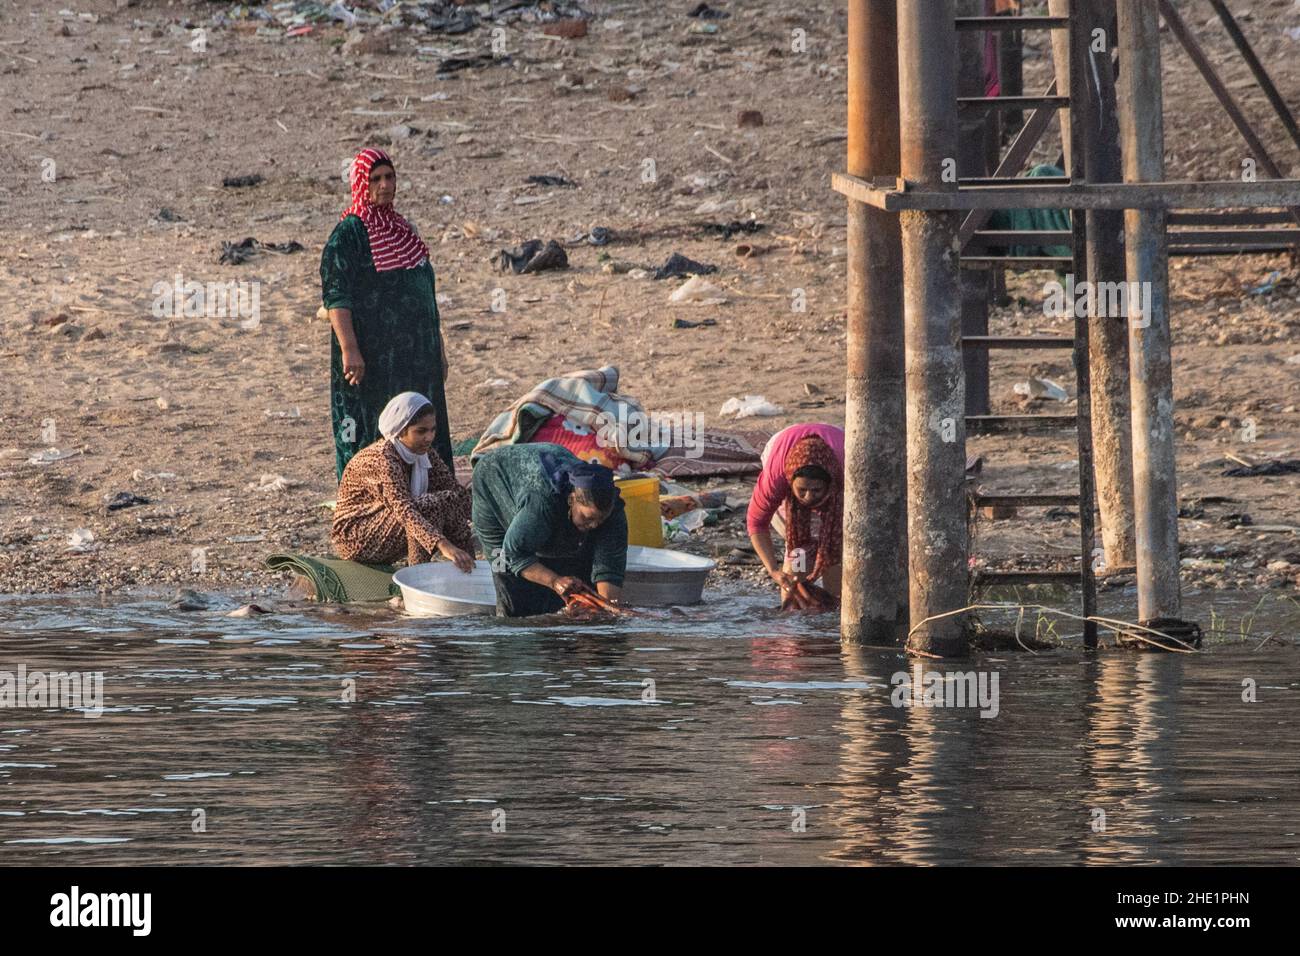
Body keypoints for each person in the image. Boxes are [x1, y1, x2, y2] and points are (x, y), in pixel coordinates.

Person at [321, 147, 454, 481]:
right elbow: (337, 295)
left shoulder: (402, 230)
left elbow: (424, 295)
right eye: (376, 178)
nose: (384, 185)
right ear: (361, 184)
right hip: (372, 358)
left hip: (416, 356)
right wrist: (350, 349)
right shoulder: (349, 234)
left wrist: (437, 346)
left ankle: (426, 499)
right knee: (375, 431)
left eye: (389, 177)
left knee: (421, 425)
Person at [471, 443, 628, 618]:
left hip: (546, 491)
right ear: (571, 499)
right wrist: (554, 581)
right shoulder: (541, 504)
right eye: (587, 518)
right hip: (493, 477)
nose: (594, 525)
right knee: (509, 580)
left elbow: (609, 565)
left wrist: (606, 608)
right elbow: (513, 553)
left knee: (578, 580)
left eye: (600, 520)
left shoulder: (614, 513)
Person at [331, 392, 474, 570]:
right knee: (429, 506)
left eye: (432, 430)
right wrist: (444, 545)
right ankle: (417, 576)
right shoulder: (382, 459)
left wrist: (493, 521)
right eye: (421, 431)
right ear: (401, 431)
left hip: (386, 525)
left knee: (449, 499)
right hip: (355, 537)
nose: (429, 437)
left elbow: (455, 492)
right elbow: (404, 510)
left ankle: (470, 566)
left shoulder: (424, 453)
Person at [746, 423, 845, 600]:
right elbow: (756, 523)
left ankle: (833, 607)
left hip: (839, 451)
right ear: (791, 482)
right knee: (798, 558)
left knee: (834, 548)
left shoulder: (846, 469)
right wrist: (773, 570)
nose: (807, 497)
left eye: (816, 490)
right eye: (802, 490)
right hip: (782, 446)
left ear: (829, 485)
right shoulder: (776, 478)